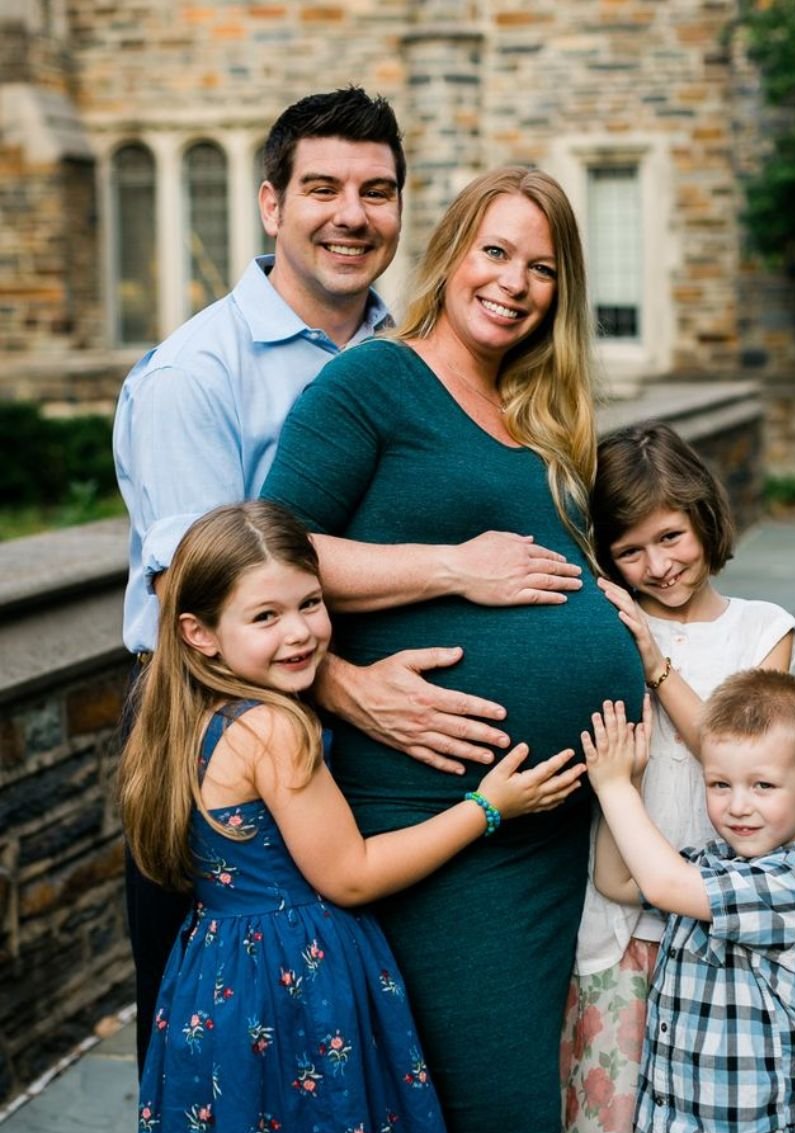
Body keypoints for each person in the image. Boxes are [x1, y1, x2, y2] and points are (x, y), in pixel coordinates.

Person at [113, 89, 574, 1068]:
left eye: (378, 190)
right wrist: (353, 687)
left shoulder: (414, 353)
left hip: (348, 769)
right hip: (208, 752)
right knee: (211, 1040)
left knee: (325, 1039)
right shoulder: (194, 376)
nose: (352, 214)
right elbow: (199, 597)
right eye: (322, 188)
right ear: (271, 203)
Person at [260, 166, 645, 1133]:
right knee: (493, 1110)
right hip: (438, 818)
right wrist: (448, 570)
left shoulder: (539, 415)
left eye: (543, 268)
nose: (515, 282)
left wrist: (615, 612)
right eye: (496, 252)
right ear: (454, 253)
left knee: (523, 1099)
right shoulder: (377, 381)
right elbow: (264, 554)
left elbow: (551, 570)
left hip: (551, 827)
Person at [121, 500, 587, 1133]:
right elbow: (351, 875)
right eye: (265, 616)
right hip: (293, 978)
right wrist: (487, 808)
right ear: (199, 632)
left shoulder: (184, 716)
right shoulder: (274, 728)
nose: (300, 633)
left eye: (310, 603)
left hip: (215, 974)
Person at [562, 421, 795, 1133]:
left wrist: (656, 664)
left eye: (670, 536)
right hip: (619, 916)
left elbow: (739, 753)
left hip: (717, 921)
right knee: (609, 1111)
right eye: (630, 550)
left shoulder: (763, 632)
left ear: (703, 515)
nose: (657, 564)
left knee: (713, 1115)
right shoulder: (611, 618)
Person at [582, 671, 795, 1133]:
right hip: (682, 1128)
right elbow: (616, 880)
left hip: (765, 1132)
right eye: (720, 784)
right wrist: (633, 783)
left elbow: (662, 885)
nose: (738, 806)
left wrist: (613, 786)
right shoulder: (710, 865)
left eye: (762, 786)